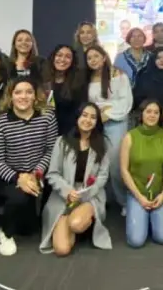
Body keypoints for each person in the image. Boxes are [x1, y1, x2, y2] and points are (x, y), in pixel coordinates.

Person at [0, 78, 58, 256]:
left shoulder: (47, 117)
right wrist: (20, 177)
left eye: (28, 92)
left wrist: (35, 174)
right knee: (20, 197)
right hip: (8, 176)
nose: (23, 96)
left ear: (35, 96)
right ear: (10, 97)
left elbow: (51, 150)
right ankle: (5, 232)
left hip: (38, 172)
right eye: (18, 92)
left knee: (29, 229)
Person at [40, 103, 112, 255]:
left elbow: (103, 176)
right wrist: (67, 192)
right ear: (77, 117)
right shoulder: (62, 141)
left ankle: (81, 222)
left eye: (93, 117)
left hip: (90, 195)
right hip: (64, 195)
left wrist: (86, 194)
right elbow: (52, 174)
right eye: (84, 115)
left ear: (97, 122)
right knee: (61, 249)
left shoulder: (103, 144)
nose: (88, 120)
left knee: (76, 224)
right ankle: (72, 222)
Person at [85, 45, 133, 211]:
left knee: (115, 165)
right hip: (94, 125)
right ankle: (99, 201)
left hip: (115, 123)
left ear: (104, 57)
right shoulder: (88, 78)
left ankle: (125, 201)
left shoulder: (118, 75)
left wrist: (107, 112)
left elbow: (126, 101)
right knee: (95, 164)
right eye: (89, 58)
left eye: (96, 56)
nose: (93, 60)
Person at [120, 100, 163, 247]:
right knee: (136, 241)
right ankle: (141, 215)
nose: (152, 115)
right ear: (141, 114)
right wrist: (140, 197)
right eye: (148, 111)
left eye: (156, 112)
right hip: (138, 192)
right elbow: (124, 170)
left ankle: (151, 218)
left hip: (159, 193)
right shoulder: (130, 137)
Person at [43, 45, 88, 136]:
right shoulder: (44, 79)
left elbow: (80, 110)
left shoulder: (78, 81)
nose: (62, 59)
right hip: (45, 131)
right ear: (53, 57)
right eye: (59, 55)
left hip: (69, 133)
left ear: (72, 61)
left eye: (68, 57)